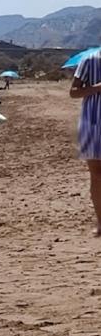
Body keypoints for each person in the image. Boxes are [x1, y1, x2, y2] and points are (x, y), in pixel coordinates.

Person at [69, 53, 101, 235]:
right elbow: (73, 92)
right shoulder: (89, 61)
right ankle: (100, 223)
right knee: (97, 175)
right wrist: (97, 88)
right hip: (93, 123)